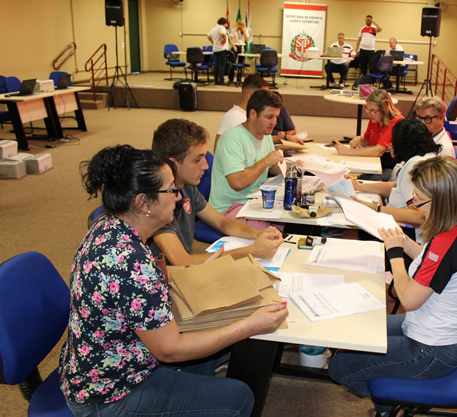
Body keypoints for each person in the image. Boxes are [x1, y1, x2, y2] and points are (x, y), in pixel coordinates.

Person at [59, 145, 288, 416]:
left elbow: (133, 292)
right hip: (110, 394)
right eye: (171, 190)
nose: (179, 197)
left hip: (104, 361)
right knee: (238, 397)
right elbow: (170, 350)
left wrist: (195, 272)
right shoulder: (130, 263)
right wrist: (250, 325)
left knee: (209, 349)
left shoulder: (110, 224)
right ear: (143, 202)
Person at [328, 156, 457, 415]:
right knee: (355, 331)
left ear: (441, 201)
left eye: (419, 199)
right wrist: (404, 243)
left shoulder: (448, 243)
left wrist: (394, 255)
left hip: (432, 348)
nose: (415, 204)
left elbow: (409, 299)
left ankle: (393, 405)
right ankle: (394, 399)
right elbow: (435, 265)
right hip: (431, 327)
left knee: (339, 367)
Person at [149, 118, 283, 266]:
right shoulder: (155, 201)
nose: (206, 166)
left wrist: (258, 234)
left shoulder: (186, 186)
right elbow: (182, 261)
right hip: (166, 275)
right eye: (197, 160)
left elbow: (222, 222)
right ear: (172, 164)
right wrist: (252, 250)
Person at [351, 118, 441, 236]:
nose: (390, 146)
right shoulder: (429, 157)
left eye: (394, 141)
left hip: (406, 232)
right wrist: (359, 186)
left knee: (350, 231)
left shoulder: (414, 166)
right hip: (403, 227)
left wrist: (375, 208)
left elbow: (419, 216)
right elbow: (396, 187)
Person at [209, 89, 285, 227]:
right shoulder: (232, 138)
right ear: (253, 114)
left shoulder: (265, 137)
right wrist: (265, 161)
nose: (274, 122)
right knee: (272, 232)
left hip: (253, 203)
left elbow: (272, 168)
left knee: (292, 220)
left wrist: (291, 168)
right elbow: (237, 183)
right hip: (228, 209)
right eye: (269, 117)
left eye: (276, 117)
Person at [332, 89, 403, 178]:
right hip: (377, 161)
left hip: (390, 166)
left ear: (385, 108)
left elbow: (378, 151)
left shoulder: (396, 122)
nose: (369, 115)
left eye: (373, 110)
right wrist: (360, 140)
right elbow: (368, 140)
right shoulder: (375, 118)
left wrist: (347, 151)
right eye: (368, 110)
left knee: (361, 179)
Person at [214, 74, 269, 152]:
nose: (267, 102)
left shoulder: (256, 115)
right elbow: (218, 150)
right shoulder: (232, 117)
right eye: (263, 98)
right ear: (251, 96)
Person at [207, 17, 229, 85]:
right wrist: (225, 41)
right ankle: (221, 81)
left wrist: (213, 42)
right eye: (226, 23)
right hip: (221, 49)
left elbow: (208, 36)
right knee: (221, 66)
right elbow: (223, 34)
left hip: (215, 49)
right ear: (223, 23)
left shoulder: (214, 28)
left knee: (216, 65)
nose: (226, 25)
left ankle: (216, 80)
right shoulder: (222, 28)